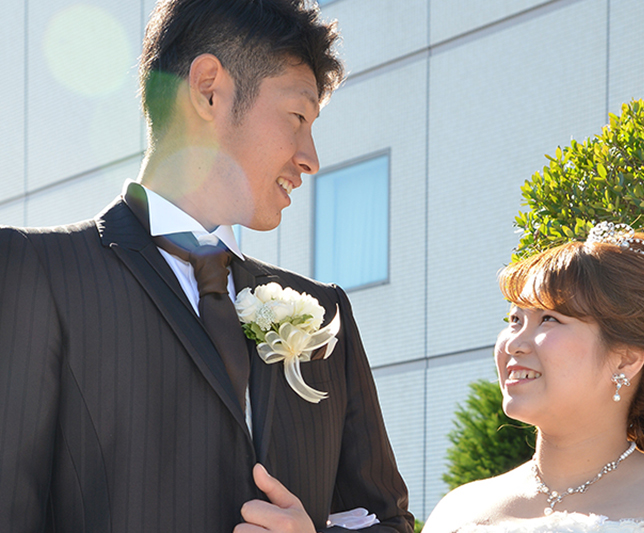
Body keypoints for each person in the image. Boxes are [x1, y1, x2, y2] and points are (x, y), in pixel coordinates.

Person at [0, 1, 413, 532]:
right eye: (297, 118)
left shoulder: (325, 313)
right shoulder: (34, 273)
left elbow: (387, 519)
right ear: (208, 89)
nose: (310, 158)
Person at [423, 223, 644, 533]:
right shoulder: (458, 510)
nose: (514, 343)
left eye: (549, 319)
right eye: (514, 320)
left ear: (626, 359)